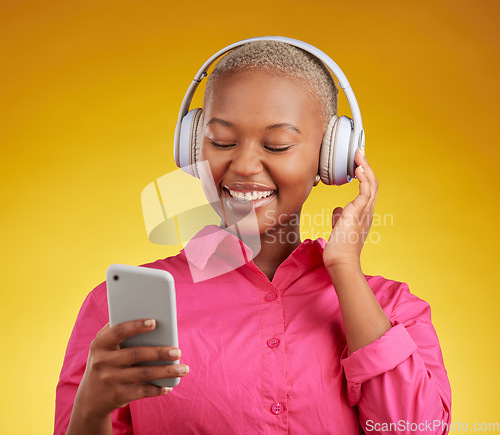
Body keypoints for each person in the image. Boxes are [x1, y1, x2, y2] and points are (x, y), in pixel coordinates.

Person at [55, 39, 452, 434]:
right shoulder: (120, 310)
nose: (244, 165)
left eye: (277, 145)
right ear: (192, 146)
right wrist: (91, 407)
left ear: (331, 158)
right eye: (222, 142)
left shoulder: (393, 310)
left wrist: (345, 268)